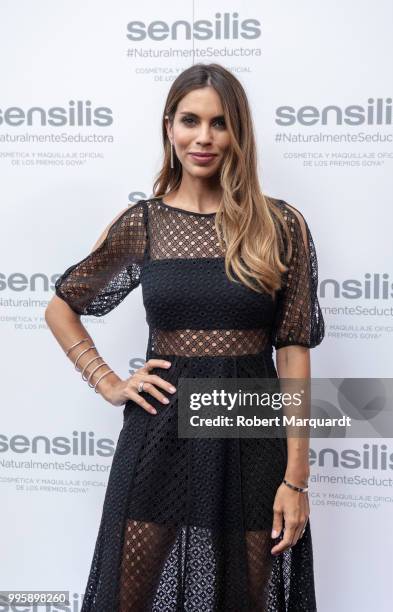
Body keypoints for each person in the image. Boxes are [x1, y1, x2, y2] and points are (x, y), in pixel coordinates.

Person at [45, 62, 325, 612]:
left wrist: (296, 479)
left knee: (246, 598)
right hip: (159, 436)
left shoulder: (280, 225)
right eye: (190, 120)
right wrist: (106, 381)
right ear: (169, 127)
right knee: (129, 598)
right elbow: (61, 308)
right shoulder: (143, 224)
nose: (204, 137)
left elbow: (292, 354)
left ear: (238, 132)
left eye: (219, 123)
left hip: (251, 438)